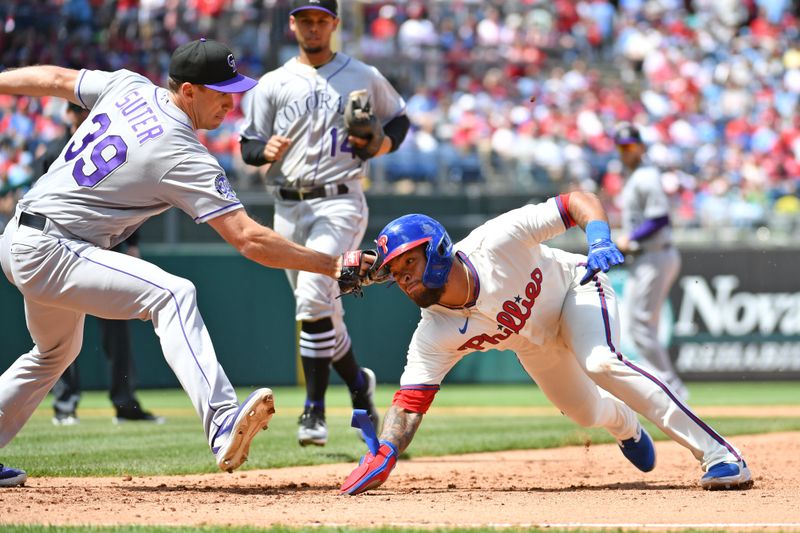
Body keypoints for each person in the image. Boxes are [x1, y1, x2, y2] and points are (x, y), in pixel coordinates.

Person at [0, 38, 345, 484]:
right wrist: (333, 265)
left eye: (233, 88)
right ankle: (222, 422)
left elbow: (55, 79)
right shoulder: (179, 150)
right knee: (173, 294)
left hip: (21, 236)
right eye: (221, 90)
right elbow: (249, 239)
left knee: (55, 352)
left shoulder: (129, 86)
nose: (230, 100)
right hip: (55, 248)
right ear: (188, 92)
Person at [339, 191, 753, 495]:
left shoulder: (496, 240)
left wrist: (599, 238)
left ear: (440, 251)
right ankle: (625, 423)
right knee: (585, 412)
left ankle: (720, 455)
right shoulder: (433, 333)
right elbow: (409, 404)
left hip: (577, 288)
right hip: (533, 344)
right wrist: (387, 450)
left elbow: (577, 201)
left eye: (410, 261)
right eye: (395, 270)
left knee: (601, 363)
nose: (404, 277)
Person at [239, 0, 409, 447]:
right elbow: (247, 145)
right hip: (287, 207)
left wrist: (379, 146)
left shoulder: (363, 74)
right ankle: (359, 387)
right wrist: (263, 151)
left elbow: (400, 119)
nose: (313, 27)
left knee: (314, 301)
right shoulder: (272, 83)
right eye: (305, 19)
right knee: (324, 313)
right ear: (293, 23)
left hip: (339, 200)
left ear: (333, 23)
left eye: (321, 19)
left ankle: (313, 411)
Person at [35, 101, 162, 425]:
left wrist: (132, 244)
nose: (83, 117)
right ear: (68, 115)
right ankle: (65, 407)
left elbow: (129, 196)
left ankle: (126, 405)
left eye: (88, 112)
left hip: (107, 248)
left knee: (118, 330)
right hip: (62, 249)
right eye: (78, 112)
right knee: (62, 334)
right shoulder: (53, 150)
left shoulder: (111, 142)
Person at [612, 122, 687, 401]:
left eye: (630, 145)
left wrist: (630, 237)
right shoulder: (634, 177)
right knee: (637, 324)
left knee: (640, 324)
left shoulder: (646, 176)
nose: (625, 151)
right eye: (621, 146)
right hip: (646, 257)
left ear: (641, 147)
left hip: (655, 254)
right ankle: (666, 385)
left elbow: (660, 218)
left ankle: (672, 389)